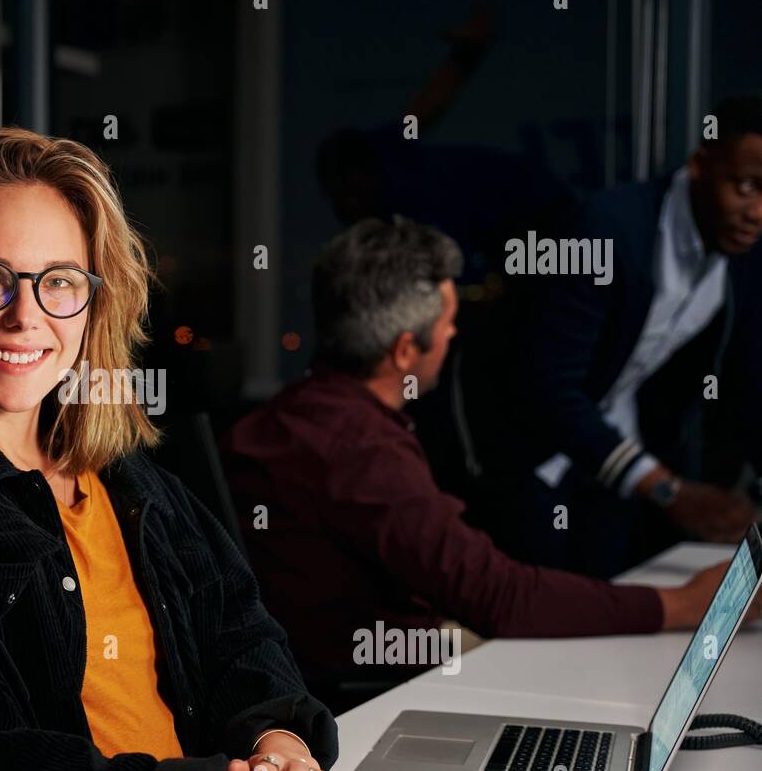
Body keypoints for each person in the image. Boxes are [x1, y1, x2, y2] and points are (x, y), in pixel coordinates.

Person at [0, 126, 450, 771]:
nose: (25, 315)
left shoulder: (135, 486)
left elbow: (244, 640)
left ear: (93, 305)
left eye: (58, 281)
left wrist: (282, 750)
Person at [219, 218, 740, 694]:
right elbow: (498, 598)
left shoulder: (282, 417)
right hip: (375, 688)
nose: (452, 332)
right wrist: (680, 603)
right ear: (404, 350)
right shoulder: (362, 449)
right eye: (448, 321)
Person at [461, 94, 762, 577]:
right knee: (542, 623)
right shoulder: (608, 229)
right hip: (534, 456)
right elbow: (548, 389)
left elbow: (749, 383)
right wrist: (668, 489)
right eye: (745, 186)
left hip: (617, 461)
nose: (757, 212)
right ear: (702, 163)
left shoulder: (742, 254)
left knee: (615, 612)